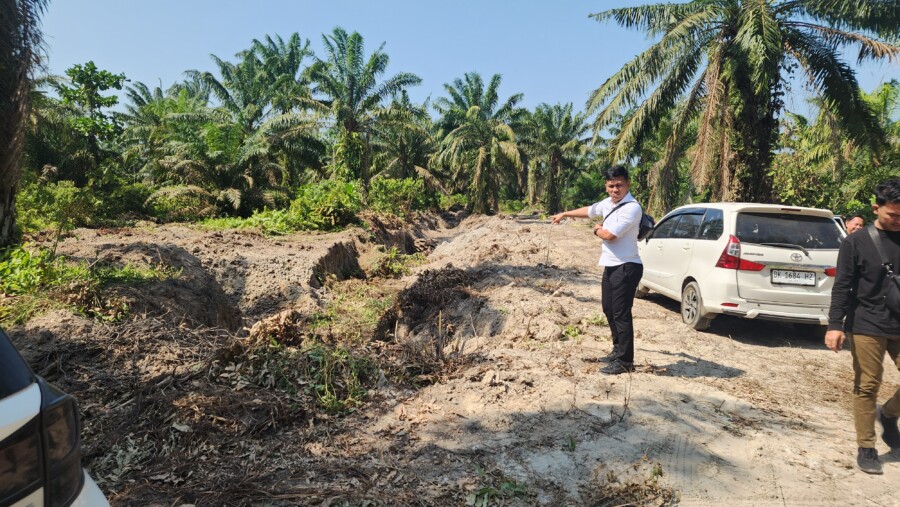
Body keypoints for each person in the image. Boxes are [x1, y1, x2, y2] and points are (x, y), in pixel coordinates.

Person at [825, 178, 900, 474]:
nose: (897, 221)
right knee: (868, 385)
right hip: (867, 322)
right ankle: (866, 446)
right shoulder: (856, 242)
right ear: (876, 208)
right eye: (892, 215)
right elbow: (842, 286)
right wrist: (835, 325)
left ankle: (889, 414)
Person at [550, 166, 643, 375]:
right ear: (606, 186)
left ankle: (625, 362)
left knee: (621, 314)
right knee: (608, 309)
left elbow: (610, 235)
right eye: (611, 186)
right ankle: (617, 350)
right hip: (611, 265)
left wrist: (596, 229)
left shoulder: (632, 207)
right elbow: (589, 211)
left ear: (628, 183)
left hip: (627, 266)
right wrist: (565, 214)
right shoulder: (608, 203)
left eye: (619, 185)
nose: (615, 189)